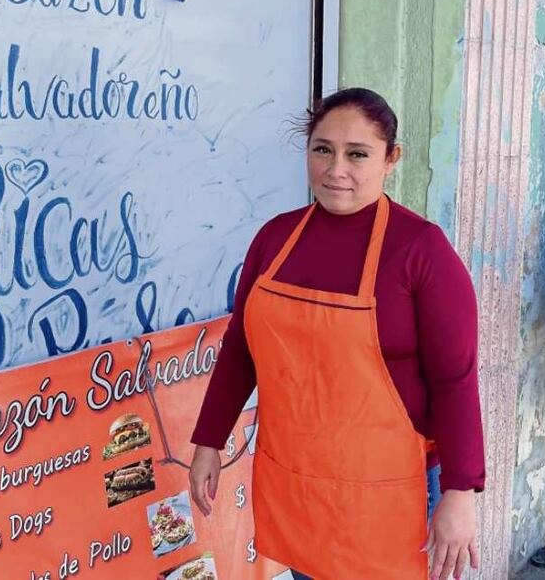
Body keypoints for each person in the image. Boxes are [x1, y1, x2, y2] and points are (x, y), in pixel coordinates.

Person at [189, 88, 485, 580]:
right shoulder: (275, 238)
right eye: (322, 149)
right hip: (299, 482)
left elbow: (455, 380)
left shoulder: (421, 250)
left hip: (391, 491)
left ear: (391, 159)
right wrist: (208, 442)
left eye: (357, 154)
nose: (335, 169)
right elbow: (241, 349)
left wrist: (460, 492)